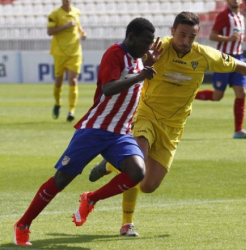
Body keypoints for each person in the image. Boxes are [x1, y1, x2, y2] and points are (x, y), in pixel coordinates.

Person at [87, 11, 246, 237]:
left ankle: (109, 165)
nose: (186, 41)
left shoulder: (204, 56)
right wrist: (146, 60)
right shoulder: (159, 48)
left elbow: (237, 65)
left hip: (173, 127)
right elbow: (134, 61)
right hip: (144, 114)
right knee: (136, 166)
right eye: (182, 35)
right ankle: (127, 222)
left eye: (191, 37)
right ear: (172, 31)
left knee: (148, 185)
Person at [13, 17, 161, 246]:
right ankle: (23, 224)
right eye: (144, 43)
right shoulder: (114, 53)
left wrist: (147, 63)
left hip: (120, 132)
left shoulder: (140, 59)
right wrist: (140, 76)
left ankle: (90, 199)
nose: (147, 48)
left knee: (137, 171)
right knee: (61, 179)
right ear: (131, 37)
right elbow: (108, 88)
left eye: (149, 44)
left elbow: (138, 74)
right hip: (96, 128)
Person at [195, 0, 246, 139]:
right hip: (223, 59)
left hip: (239, 58)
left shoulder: (240, 16)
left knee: (242, 92)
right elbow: (212, 36)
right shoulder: (224, 15)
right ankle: (191, 94)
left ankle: (238, 130)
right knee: (218, 96)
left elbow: (237, 38)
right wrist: (228, 39)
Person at [47, 0, 86, 122]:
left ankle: (71, 110)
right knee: (59, 82)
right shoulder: (54, 14)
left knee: (73, 81)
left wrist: (82, 33)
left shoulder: (77, 12)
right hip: (60, 53)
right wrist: (65, 26)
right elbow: (49, 32)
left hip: (75, 52)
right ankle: (58, 103)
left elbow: (78, 26)